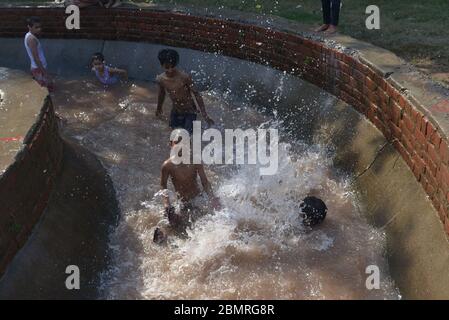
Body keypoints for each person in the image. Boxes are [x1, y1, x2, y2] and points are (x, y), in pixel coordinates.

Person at [153, 132, 221, 244]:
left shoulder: (195, 161)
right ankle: (164, 238)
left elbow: (205, 182)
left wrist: (213, 198)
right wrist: (166, 204)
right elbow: (163, 186)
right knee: (172, 221)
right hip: (182, 202)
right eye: (177, 143)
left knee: (201, 222)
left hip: (197, 199)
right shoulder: (167, 165)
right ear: (171, 144)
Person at [155, 49, 215, 134]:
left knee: (188, 135)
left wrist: (204, 114)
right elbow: (161, 94)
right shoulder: (161, 79)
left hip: (190, 111)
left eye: (172, 66)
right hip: (176, 111)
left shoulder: (184, 77)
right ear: (162, 65)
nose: (170, 70)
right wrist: (159, 108)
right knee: (172, 134)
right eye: (167, 67)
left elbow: (196, 94)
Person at [24, 17, 54, 92]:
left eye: (40, 27)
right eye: (36, 27)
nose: (39, 29)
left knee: (44, 89)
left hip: (37, 68)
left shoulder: (29, 35)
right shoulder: (32, 39)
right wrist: (44, 72)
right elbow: (36, 58)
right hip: (38, 69)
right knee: (47, 90)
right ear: (29, 27)